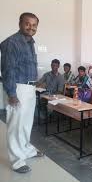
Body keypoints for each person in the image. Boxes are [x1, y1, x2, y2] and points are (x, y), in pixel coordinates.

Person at [0, 12, 44, 173]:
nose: (31, 27)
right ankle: (17, 160)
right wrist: (12, 94)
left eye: (34, 25)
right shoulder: (12, 43)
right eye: (27, 23)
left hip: (30, 88)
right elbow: (8, 70)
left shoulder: (30, 42)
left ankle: (26, 150)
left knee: (26, 124)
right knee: (15, 125)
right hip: (17, 88)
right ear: (20, 23)